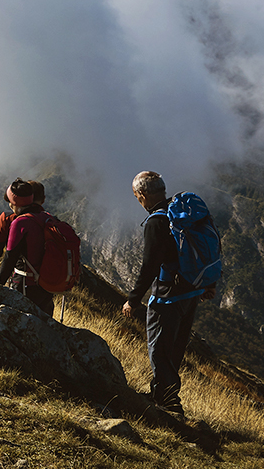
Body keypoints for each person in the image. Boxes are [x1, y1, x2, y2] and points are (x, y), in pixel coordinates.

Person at [122, 171, 216, 419]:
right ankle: (161, 394)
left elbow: (149, 266)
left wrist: (133, 299)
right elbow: (210, 247)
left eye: (136, 196)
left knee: (159, 348)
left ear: (142, 195)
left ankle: (169, 403)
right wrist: (209, 282)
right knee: (174, 348)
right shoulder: (184, 213)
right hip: (191, 293)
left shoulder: (157, 222)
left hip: (168, 295)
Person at [0, 179, 54, 316]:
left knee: (20, 325)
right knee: (42, 326)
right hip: (47, 285)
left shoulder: (18, 222)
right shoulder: (47, 218)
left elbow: (9, 257)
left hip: (25, 284)